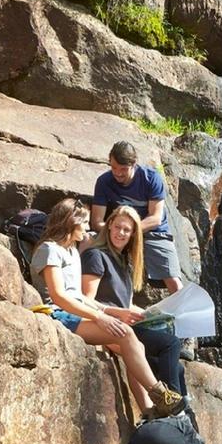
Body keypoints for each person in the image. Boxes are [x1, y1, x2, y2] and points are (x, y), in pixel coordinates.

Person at [30, 197, 184, 419]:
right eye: (84, 222)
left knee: (135, 347)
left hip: (76, 313)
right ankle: (162, 396)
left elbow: (81, 297)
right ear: (70, 222)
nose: (89, 227)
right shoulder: (49, 249)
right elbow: (59, 296)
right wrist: (100, 318)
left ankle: (150, 412)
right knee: (125, 334)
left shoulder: (72, 251)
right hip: (57, 315)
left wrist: (112, 312)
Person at [81, 205, 186, 396]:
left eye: (127, 230)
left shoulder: (124, 262)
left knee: (177, 368)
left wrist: (153, 314)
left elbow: (125, 303)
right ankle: (172, 404)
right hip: (108, 326)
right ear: (110, 225)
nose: (121, 233)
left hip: (125, 323)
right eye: (118, 227)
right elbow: (85, 300)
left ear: (133, 235)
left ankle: (180, 415)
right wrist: (117, 313)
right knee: (170, 344)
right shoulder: (95, 256)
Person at [90, 141, 182, 293]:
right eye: (113, 168)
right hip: (117, 231)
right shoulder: (104, 182)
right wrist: (116, 231)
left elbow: (155, 218)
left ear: (134, 164)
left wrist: (131, 231)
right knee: (88, 242)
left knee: (174, 281)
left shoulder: (151, 179)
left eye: (123, 169)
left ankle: (183, 311)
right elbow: (96, 221)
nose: (118, 173)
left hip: (152, 232)